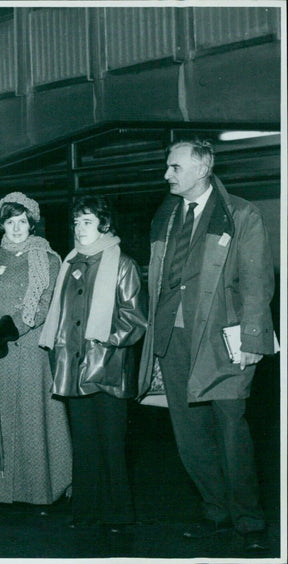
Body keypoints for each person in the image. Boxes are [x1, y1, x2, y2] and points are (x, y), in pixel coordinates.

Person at [137, 139, 275, 552]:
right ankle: (215, 509)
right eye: (167, 166)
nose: (167, 175)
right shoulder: (165, 214)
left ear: (203, 168)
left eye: (175, 167)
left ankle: (248, 518)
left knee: (232, 430)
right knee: (189, 434)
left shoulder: (241, 214)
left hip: (223, 340)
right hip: (173, 337)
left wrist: (253, 339)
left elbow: (257, 283)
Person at [0, 192, 71, 514]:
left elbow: (47, 302)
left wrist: (12, 328)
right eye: (10, 221)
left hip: (30, 348)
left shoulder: (49, 259)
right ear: (2, 224)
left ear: (32, 223)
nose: (17, 228)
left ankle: (40, 492)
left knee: (34, 418)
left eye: (22, 221)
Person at [39, 195, 147, 532]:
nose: (79, 227)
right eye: (76, 221)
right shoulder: (70, 263)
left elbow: (135, 319)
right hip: (72, 370)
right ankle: (85, 512)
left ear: (104, 224)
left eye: (86, 221)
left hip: (108, 369)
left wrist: (104, 339)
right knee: (84, 445)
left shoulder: (123, 264)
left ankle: (118, 514)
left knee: (112, 445)